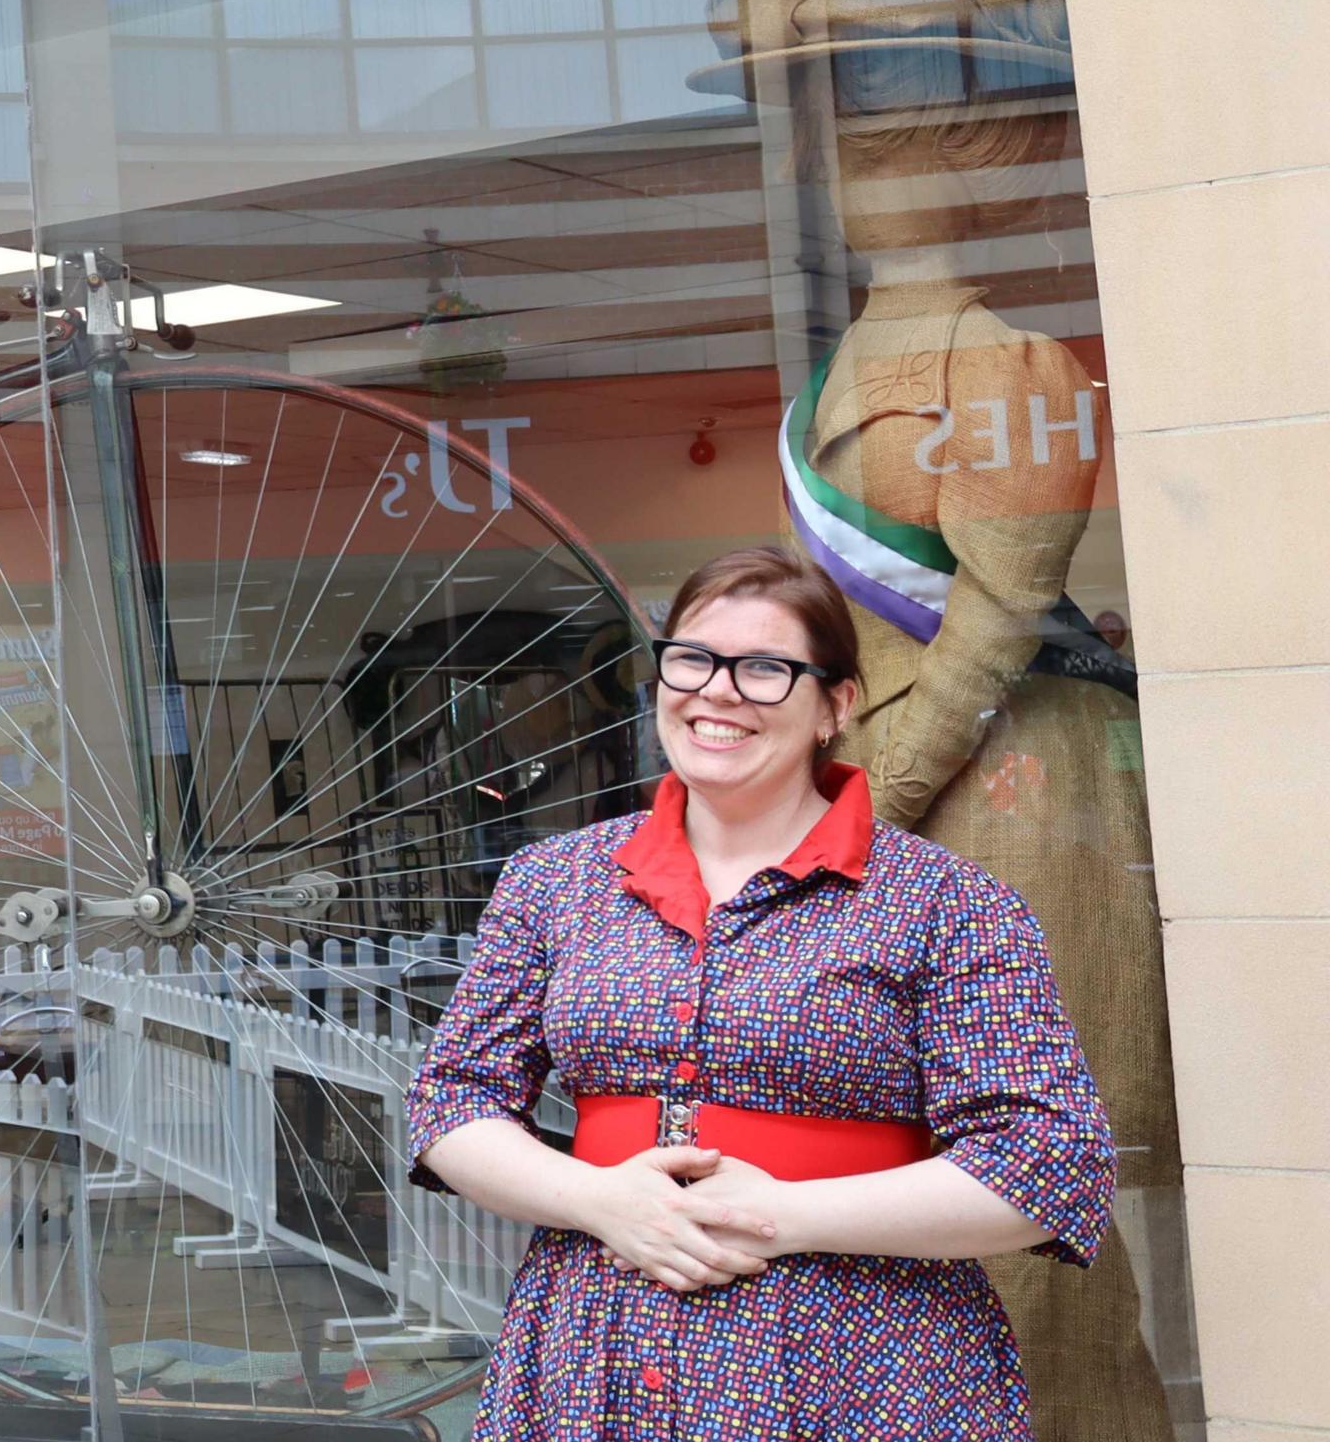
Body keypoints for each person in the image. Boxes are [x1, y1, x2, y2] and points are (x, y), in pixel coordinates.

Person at [404, 546, 1116, 1439]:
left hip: (866, 1357)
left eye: (767, 669)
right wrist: (597, 1200)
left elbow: (1047, 1159)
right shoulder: (555, 882)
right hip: (598, 1343)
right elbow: (451, 1101)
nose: (718, 692)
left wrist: (780, 1214)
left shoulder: (946, 903)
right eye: (693, 658)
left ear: (836, 705)